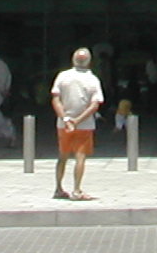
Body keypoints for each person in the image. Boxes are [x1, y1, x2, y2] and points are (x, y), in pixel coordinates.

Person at [51, 47, 104, 201]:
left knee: (63, 155)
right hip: (84, 125)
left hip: (63, 124)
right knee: (80, 156)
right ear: (89, 61)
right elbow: (95, 105)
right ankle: (76, 190)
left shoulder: (63, 76)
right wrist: (78, 120)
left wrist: (65, 119)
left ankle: (58, 188)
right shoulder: (92, 79)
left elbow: (55, 99)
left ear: (73, 60)